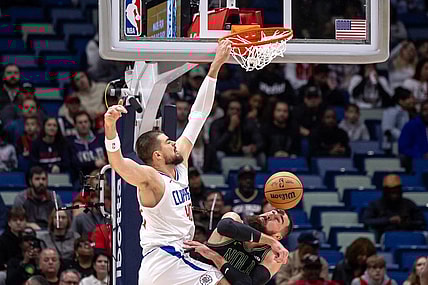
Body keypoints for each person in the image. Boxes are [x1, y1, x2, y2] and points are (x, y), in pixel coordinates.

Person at [104, 41, 288, 285]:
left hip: (168, 263)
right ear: (157, 156)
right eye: (168, 142)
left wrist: (214, 68)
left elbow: (198, 116)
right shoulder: (152, 179)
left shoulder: (179, 164)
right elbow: (119, 165)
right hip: (165, 259)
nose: (174, 143)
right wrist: (110, 129)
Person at [184, 209, 292, 285]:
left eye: (277, 219)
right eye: (273, 211)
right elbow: (224, 227)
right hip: (192, 276)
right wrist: (271, 241)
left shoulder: (271, 256)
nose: (271, 215)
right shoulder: (234, 219)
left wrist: (215, 257)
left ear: (278, 236)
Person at [362, 174, 426, 241]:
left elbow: (421, 222)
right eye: (390, 190)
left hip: (407, 235)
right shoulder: (375, 205)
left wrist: (407, 223)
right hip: (382, 236)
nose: (394, 193)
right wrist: (388, 220)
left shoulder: (409, 204)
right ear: (385, 191)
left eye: (396, 189)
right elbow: (367, 221)